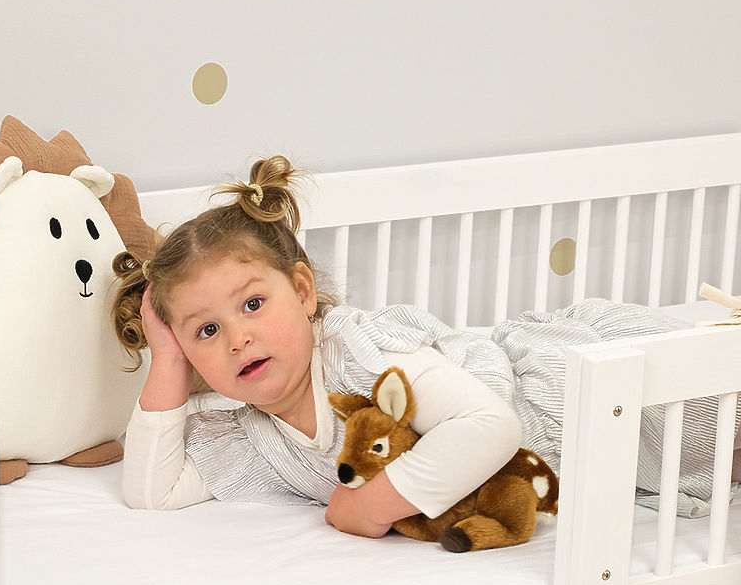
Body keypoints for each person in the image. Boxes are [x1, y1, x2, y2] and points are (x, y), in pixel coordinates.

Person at [110, 155, 727, 531]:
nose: (238, 339)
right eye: (206, 331)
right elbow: (152, 493)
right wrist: (167, 361)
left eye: (252, 304)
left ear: (302, 292)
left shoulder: (358, 355)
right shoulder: (251, 438)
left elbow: (491, 424)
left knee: (717, 407)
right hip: (598, 461)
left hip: (574, 391)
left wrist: (371, 506)